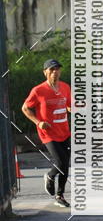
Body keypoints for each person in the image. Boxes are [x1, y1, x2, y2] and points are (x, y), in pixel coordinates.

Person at [22, 59, 71, 208]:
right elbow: (25, 108)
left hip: (64, 132)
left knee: (65, 164)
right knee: (61, 162)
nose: (55, 72)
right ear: (45, 72)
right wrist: (38, 122)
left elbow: (69, 105)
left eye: (57, 69)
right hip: (48, 134)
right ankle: (50, 175)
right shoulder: (38, 90)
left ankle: (60, 195)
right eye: (51, 70)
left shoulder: (65, 87)